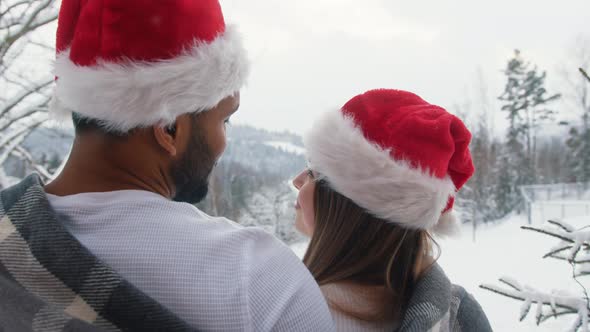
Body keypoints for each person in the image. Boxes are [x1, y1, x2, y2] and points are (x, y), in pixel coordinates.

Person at [0, 0, 335, 331]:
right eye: (225, 120)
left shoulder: (9, 234)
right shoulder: (261, 282)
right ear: (170, 128)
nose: (223, 142)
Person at [292, 89, 492, 332]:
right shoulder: (456, 316)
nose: (298, 180)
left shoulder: (281, 309)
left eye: (313, 171)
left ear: (351, 205)